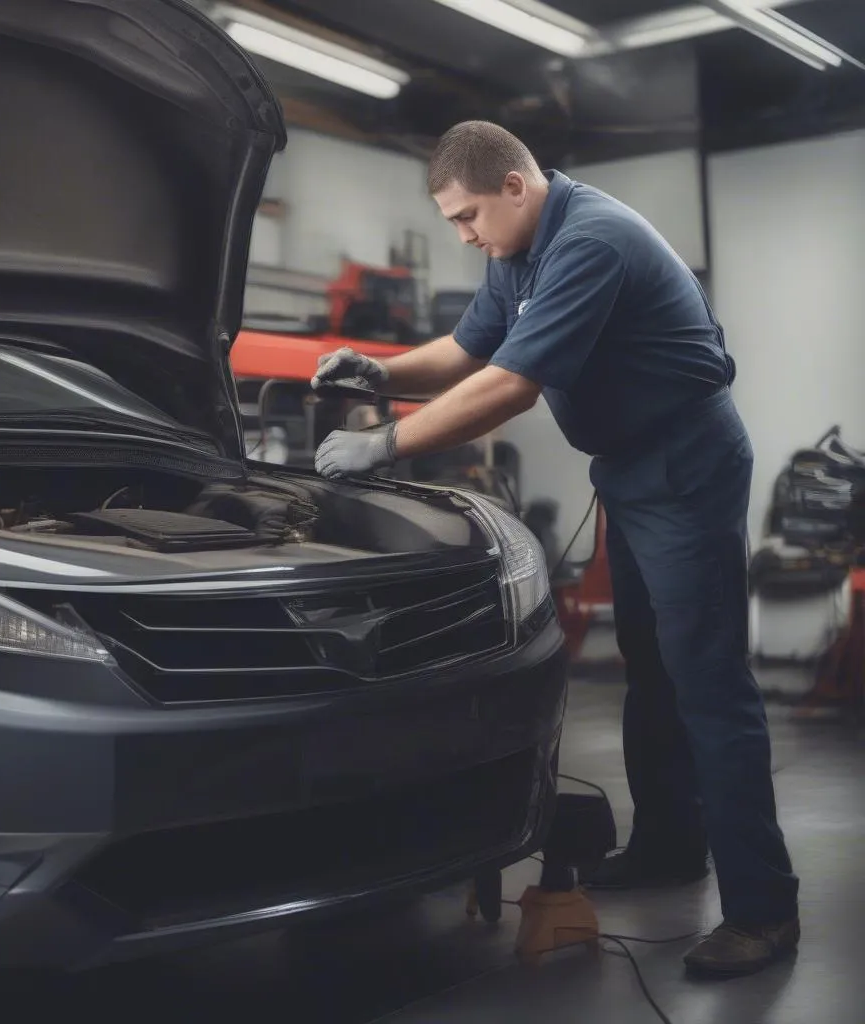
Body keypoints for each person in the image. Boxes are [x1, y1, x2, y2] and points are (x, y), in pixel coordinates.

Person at [311, 121, 799, 979]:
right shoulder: (516, 252)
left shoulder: (592, 240)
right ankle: (671, 847)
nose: (463, 237)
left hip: (685, 461)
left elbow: (509, 386)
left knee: (709, 682)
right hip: (631, 463)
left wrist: (385, 444)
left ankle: (764, 912)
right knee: (652, 668)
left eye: (467, 217)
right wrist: (379, 373)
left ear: (514, 186)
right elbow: (470, 352)